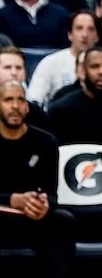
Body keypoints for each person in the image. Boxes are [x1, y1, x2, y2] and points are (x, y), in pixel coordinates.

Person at [0, 80, 76, 278]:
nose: (15, 106)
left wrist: (43, 205)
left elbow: (52, 194)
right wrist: (12, 200)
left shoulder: (46, 142)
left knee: (63, 220)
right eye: (8, 100)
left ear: (27, 107)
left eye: (20, 100)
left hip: (31, 217)